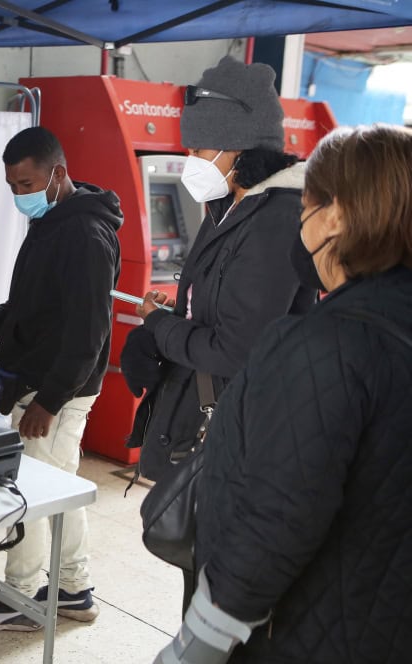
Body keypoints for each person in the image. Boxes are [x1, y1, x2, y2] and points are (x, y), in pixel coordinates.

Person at [156, 124, 412, 663]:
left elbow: (278, 516)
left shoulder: (323, 344)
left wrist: (197, 642)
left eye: (306, 207)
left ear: (335, 216)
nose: (299, 223)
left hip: (313, 631)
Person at [120, 57, 318, 610]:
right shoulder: (229, 207)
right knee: (201, 572)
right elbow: (220, 310)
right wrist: (178, 313)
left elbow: (235, 348)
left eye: (201, 148)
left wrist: (160, 327)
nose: (192, 159)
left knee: (219, 583)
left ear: (240, 150)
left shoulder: (275, 217)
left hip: (242, 429)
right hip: (214, 415)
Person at [0, 126, 122, 631]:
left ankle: (17, 597)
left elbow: (89, 333)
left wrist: (49, 400)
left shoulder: (85, 236)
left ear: (57, 174)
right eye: (12, 186)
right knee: (60, 488)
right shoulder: (50, 223)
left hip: (53, 389)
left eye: (25, 184)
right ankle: (72, 589)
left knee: (29, 492)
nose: (18, 195)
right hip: (42, 382)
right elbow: (32, 306)